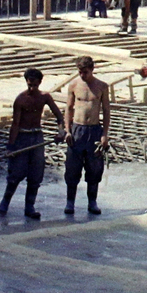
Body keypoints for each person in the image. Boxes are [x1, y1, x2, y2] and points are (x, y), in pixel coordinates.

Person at [0, 68, 63, 220]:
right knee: (16, 173)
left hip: (37, 138)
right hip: (22, 138)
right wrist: (11, 146)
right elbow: (15, 124)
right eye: (29, 85)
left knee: (36, 174)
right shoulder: (20, 99)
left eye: (34, 85)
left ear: (40, 83)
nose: (32, 88)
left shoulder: (45, 97)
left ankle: (29, 207)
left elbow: (59, 116)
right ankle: (5, 202)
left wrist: (61, 131)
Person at [59, 55, 110, 216]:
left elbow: (107, 111)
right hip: (77, 130)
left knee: (94, 168)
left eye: (85, 72)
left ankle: (92, 202)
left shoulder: (102, 86)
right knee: (72, 168)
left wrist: (105, 135)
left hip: (94, 130)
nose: (82, 75)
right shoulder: (74, 85)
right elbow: (68, 108)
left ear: (92, 69)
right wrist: (67, 130)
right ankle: (70, 202)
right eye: (80, 72)